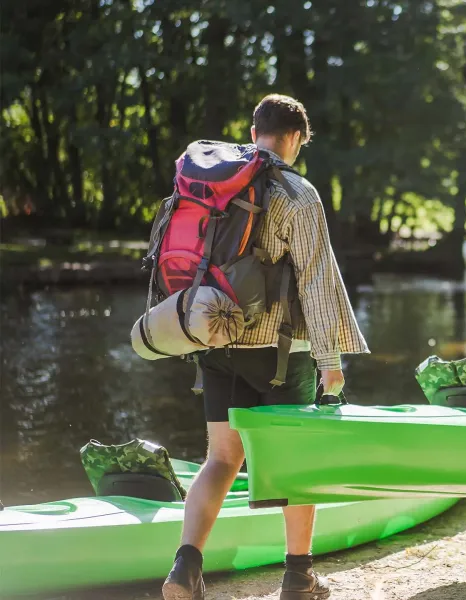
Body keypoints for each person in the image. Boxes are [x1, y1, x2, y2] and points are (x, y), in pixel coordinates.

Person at [162, 94, 369, 600]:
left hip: (213, 337)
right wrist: (330, 362)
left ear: (255, 131)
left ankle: (186, 567)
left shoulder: (211, 185)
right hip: (281, 354)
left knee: (220, 459)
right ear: (296, 138)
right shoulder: (297, 194)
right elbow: (318, 282)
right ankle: (299, 576)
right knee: (294, 465)